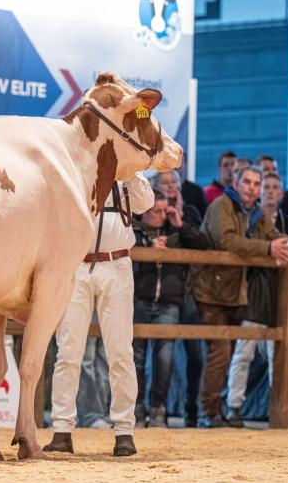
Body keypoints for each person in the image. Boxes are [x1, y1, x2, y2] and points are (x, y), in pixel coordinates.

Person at [44, 174, 154, 456]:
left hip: (117, 263)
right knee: (68, 350)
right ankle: (62, 429)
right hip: (76, 264)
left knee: (120, 351)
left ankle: (124, 431)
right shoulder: (76, 169)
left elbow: (145, 203)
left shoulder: (127, 176)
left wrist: (130, 175)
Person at [191, 166, 288, 427]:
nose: (251, 187)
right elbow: (228, 241)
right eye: (247, 182)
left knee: (225, 354)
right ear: (236, 183)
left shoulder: (257, 214)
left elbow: (274, 237)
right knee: (220, 351)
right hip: (211, 289)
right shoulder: (221, 205)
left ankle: (216, 410)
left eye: (256, 183)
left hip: (236, 291)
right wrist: (269, 248)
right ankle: (209, 412)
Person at [225, 172, 288, 426]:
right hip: (255, 289)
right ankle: (234, 406)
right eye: (263, 186)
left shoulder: (287, 222)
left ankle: (277, 407)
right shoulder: (251, 217)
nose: (267, 191)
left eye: (272, 187)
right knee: (244, 352)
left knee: (278, 355)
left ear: (280, 192)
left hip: (280, 292)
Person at [132, 186, 209, 427]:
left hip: (168, 303)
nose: (162, 215)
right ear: (143, 211)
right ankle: (136, 409)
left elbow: (204, 244)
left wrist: (180, 224)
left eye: (166, 211)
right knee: (136, 358)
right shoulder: (132, 232)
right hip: (140, 300)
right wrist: (148, 251)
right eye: (157, 211)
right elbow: (125, 260)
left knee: (164, 359)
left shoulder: (175, 231)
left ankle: (158, 409)